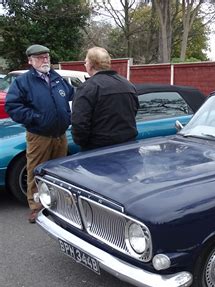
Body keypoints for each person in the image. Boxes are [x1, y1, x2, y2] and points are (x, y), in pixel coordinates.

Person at [5, 44, 74, 223]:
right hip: (39, 135)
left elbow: (71, 95)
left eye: (46, 57)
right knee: (36, 171)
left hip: (60, 135)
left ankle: (60, 206)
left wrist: (69, 115)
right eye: (40, 58)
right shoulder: (23, 82)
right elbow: (12, 106)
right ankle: (36, 207)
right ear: (30, 61)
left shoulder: (56, 77)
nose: (45, 60)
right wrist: (36, 117)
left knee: (59, 172)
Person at [71, 47, 139, 150]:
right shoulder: (128, 85)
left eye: (86, 61)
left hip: (98, 151)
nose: (85, 65)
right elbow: (134, 111)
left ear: (90, 65)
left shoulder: (88, 88)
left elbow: (80, 123)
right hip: (128, 147)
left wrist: (83, 143)